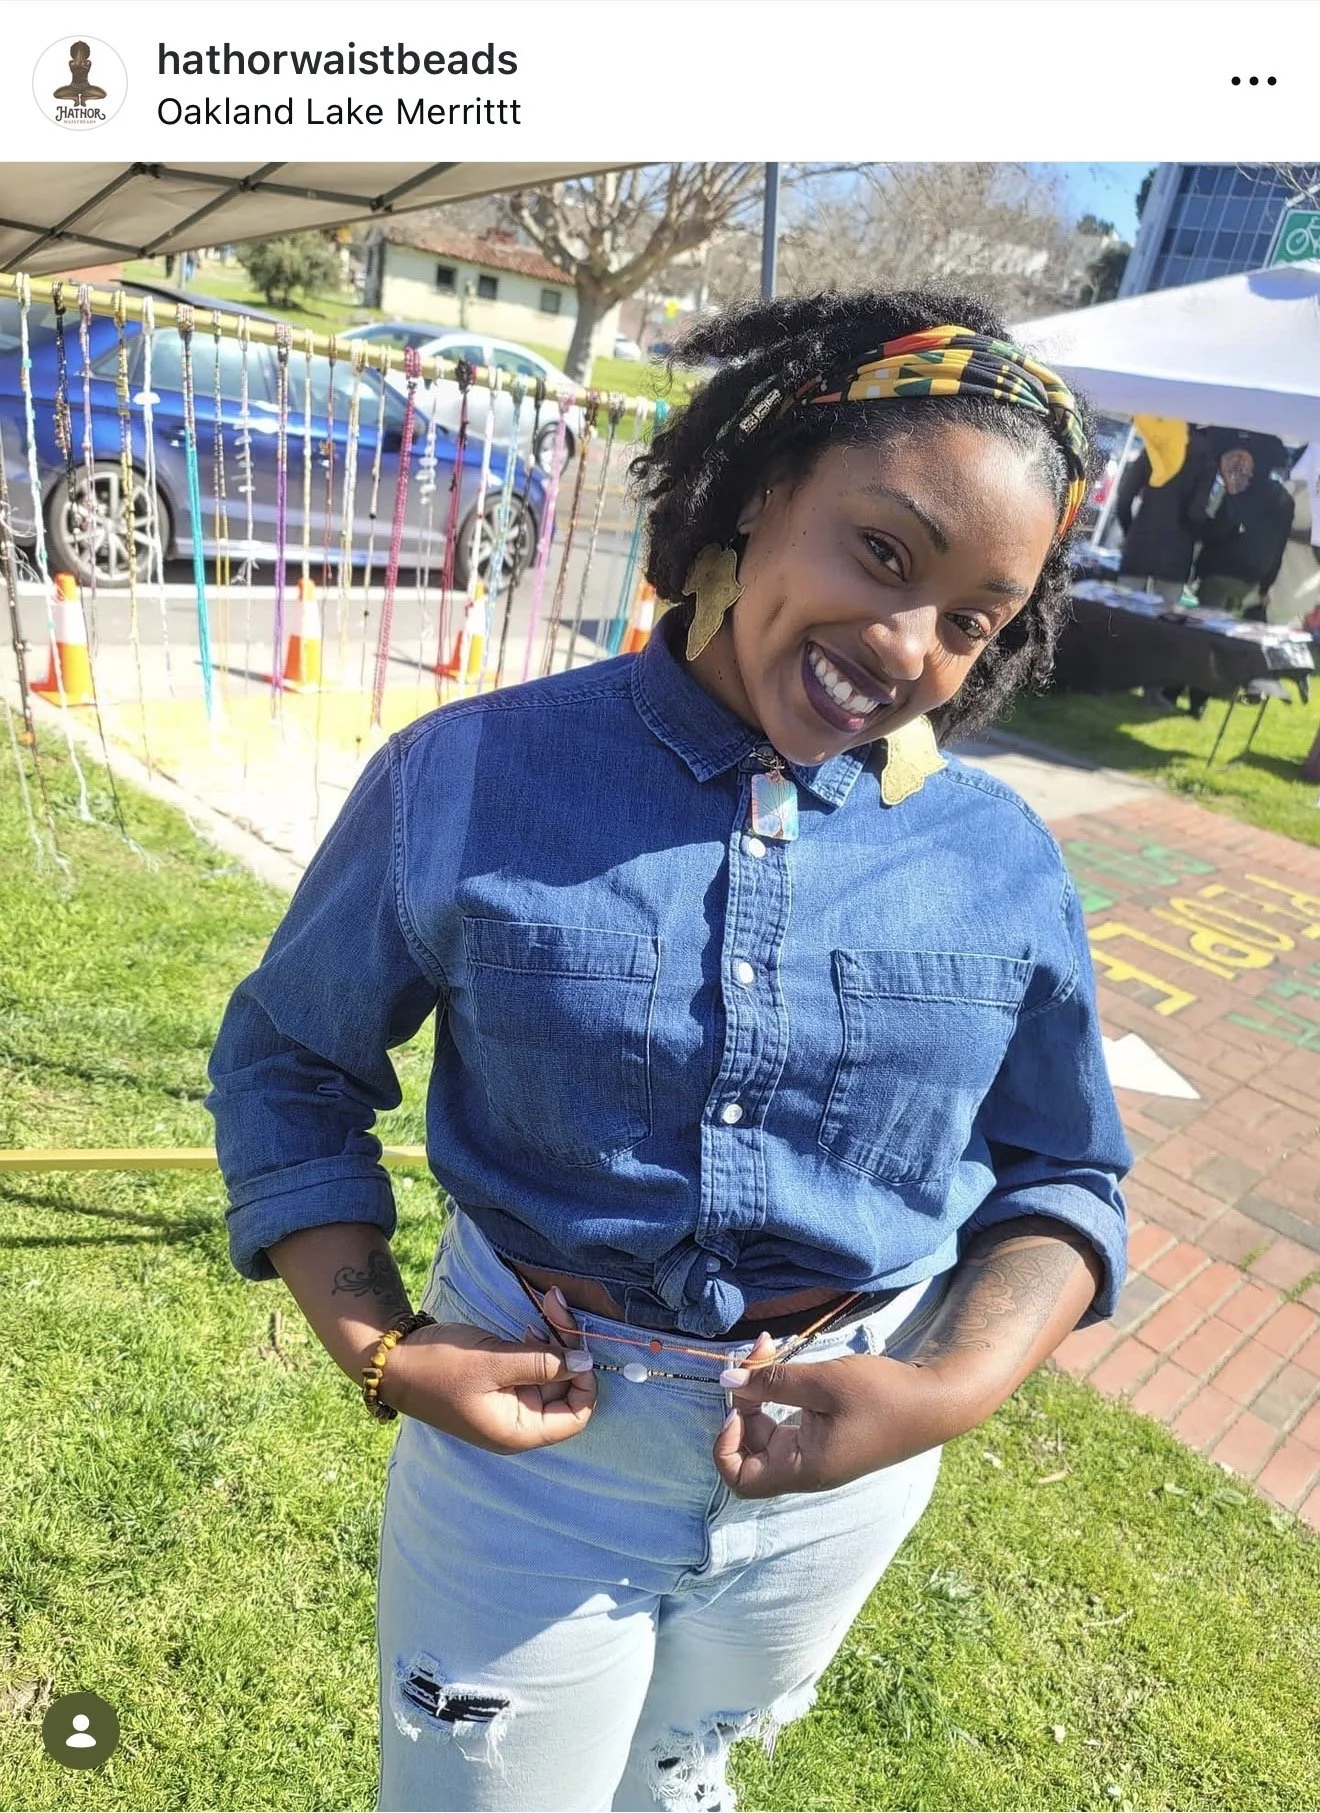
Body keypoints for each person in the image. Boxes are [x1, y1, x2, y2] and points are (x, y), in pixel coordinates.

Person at [207, 289, 1130, 1813]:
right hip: (533, 1461)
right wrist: (381, 1344)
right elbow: (286, 1064)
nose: (908, 646)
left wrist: (947, 1391)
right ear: (765, 490)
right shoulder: (470, 777)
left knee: (687, 1781)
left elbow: (1065, 1173)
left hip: (840, 1480)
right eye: (881, 551)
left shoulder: (999, 858)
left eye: (973, 618)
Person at [1113, 422, 1216, 605]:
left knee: (1121, 611)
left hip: (1139, 547)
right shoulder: (1206, 456)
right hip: (1176, 555)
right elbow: (1195, 512)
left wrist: (1130, 531)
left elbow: (1124, 498)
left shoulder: (1156, 445)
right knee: (1164, 617)